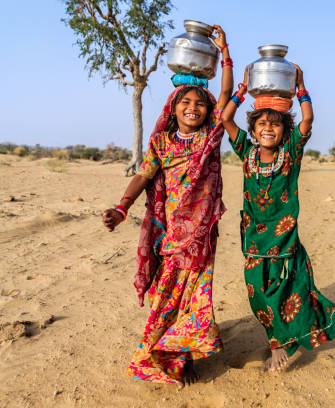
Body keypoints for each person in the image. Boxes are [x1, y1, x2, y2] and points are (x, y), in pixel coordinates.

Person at [101, 26, 233, 386]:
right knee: (167, 294)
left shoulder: (210, 136)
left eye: (200, 104)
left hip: (202, 232)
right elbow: (144, 176)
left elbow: (224, 93)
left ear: (208, 112)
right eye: (185, 103)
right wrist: (122, 206)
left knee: (195, 294)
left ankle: (184, 356)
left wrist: (225, 53)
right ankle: (162, 348)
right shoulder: (161, 141)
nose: (194, 108)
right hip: (171, 232)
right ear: (173, 109)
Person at [221, 65, 335, 371]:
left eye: (275, 125)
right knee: (258, 295)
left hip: (283, 238)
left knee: (286, 290)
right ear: (253, 128)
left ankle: (278, 344)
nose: (268, 129)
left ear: (284, 131)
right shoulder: (246, 150)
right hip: (253, 239)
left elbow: (308, 120)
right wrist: (240, 92)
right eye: (262, 123)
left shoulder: (290, 153)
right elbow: (224, 118)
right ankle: (275, 336)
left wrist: (301, 86)